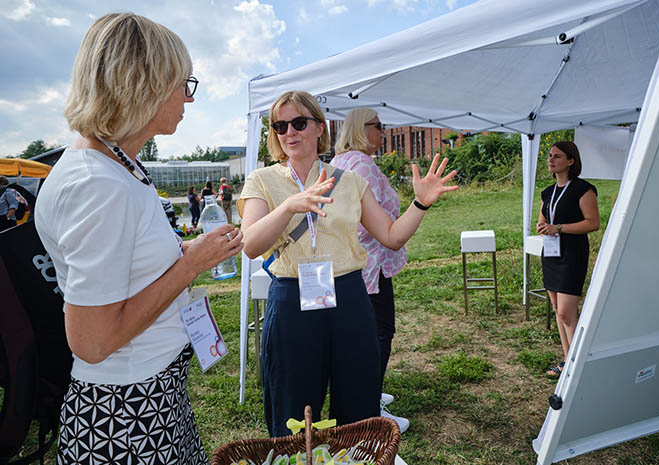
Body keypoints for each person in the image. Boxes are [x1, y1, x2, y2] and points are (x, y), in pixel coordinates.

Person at [34, 13, 243, 464]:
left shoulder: (117, 166)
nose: (188, 98)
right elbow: (91, 342)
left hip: (147, 395)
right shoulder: (99, 185)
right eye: (182, 83)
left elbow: (126, 266)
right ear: (144, 84)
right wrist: (191, 264)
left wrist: (186, 252)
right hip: (128, 413)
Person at [238, 90, 457, 437]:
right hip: (292, 299)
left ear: (319, 128)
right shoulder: (262, 180)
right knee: (292, 408)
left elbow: (391, 235)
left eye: (298, 122)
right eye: (280, 126)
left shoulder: (350, 180)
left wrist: (420, 203)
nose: (289, 132)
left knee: (357, 406)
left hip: (349, 297)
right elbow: (250, 245)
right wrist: (289, 206)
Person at [330, 108, 409, 432]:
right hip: (370, 263)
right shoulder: (362, 164)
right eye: (379, 126)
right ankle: (370, 405)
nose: (384, 131)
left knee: (359, 336)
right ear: (363, 129)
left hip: (352, 265)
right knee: (379, 334)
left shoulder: (340, 162)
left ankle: (366, 394)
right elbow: (376, 221)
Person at [536, 141, 599, 378]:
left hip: (572, 254)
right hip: (552, 254)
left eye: (557, 156)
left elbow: (593, 223)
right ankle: (567, 360)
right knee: (556, 308)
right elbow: (544, 218)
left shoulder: (583, 189)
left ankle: (578, 366)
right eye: (550, 156)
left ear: (571, 161)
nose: (551, 160)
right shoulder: (548, 192)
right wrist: (543, 226)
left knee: (566, 313)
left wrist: (558, 228)